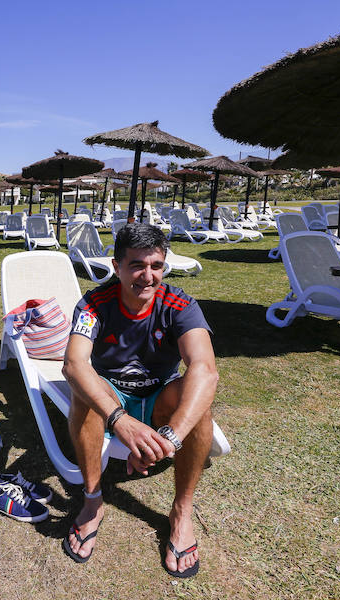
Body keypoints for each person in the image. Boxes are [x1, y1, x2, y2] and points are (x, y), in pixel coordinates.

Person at [61, 222, 218, 577]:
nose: (148, 276)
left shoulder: (179, 303)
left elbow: (205, 369)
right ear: (116, 266)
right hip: (112, 395)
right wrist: (120, 420)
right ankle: (92, 501)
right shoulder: (94, 303)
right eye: (137, 265)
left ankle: (181, 511)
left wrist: (170, 438)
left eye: (156, 266)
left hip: (160, 396)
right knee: (85, 389)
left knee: (198, 394)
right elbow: (73, 364)